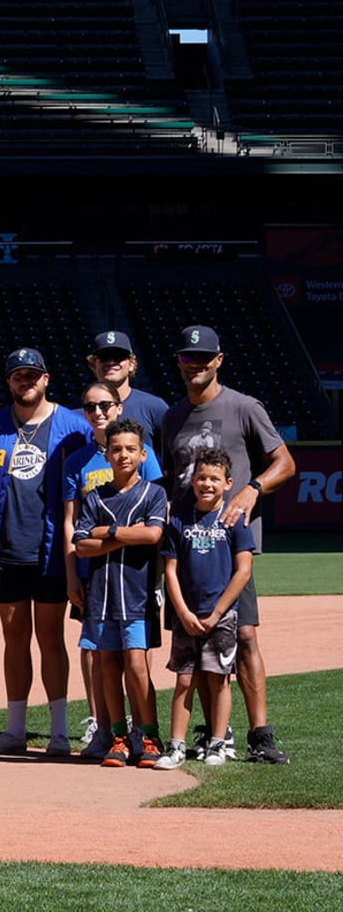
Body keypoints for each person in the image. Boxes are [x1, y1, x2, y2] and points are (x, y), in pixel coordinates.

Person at [159, 324, 297, 765]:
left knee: (247, 635)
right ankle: (217, 732)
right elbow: (168, 478)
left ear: (218, 360)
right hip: (186, 544)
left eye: (203, 358)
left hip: (229, 544)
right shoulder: (172, 416)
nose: (195, 364)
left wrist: (253, 488)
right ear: (179, 363)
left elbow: (285, 463)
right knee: (196, 644)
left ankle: (262, 734)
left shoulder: (243, 407)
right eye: (187, 358)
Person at [0, 347, 89, 758]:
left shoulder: (73, 425)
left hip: (53, 549)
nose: (26, 381)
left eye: (33, 375)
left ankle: (58, 732)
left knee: (50, 638)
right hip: (7, 548)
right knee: (13, 637)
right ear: (9, 381)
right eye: (18, 375)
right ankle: (15, 729)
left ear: (46, 378)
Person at [63, 378, 163, 758]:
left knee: (136, 664)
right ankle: (117, 736)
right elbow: (82, 545)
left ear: (142, 455)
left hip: (136, 592)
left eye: (130, 450)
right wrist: (125, 535)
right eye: (117, 449)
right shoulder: (95, 496)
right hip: (101, 592)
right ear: (107, 455)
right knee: (106, 663)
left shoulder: (153, 492)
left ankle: (149, 734)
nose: (123, 455)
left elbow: (153, 535)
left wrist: (112, 533)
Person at [155, 447, 256, 770]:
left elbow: (243, 570)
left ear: (228, 483)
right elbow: (170, 570)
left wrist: (217, 612)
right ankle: (176, 746)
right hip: (186, 612)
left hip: (221, 615)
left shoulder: (234, 520)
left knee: (218, 679)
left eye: (214, 479)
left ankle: (217, 742)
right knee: (185, 680)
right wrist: (182, 612)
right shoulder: (180, 519)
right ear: (192, 480)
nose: (207, 484)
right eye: (201, 478)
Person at [87, 330, 169, 442]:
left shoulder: (154, 407)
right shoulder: (78, 413)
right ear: (93, 365)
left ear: (131, 364)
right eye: (104, 357)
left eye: (118, 357)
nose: (111, 362)